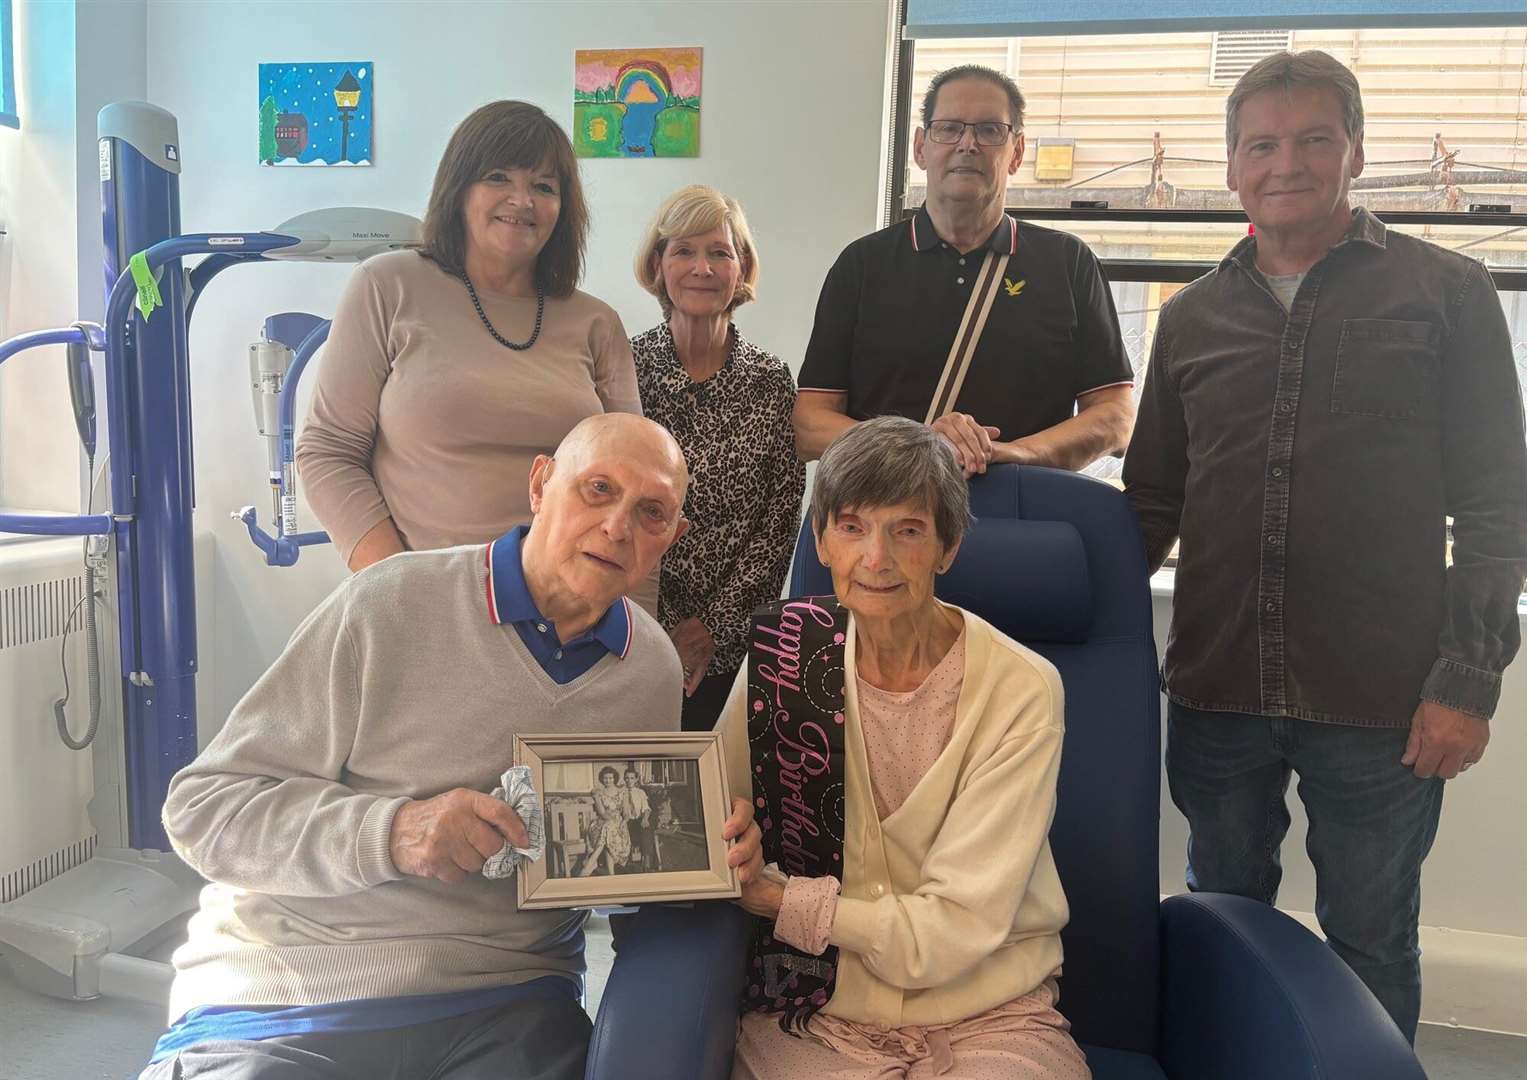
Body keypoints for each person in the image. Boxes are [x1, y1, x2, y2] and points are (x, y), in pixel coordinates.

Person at [138, 414, 763, 1080]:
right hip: (292, 991)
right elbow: (202, 812)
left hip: (507, 999)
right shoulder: (389, 602)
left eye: (651, 512)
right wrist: (394, 831)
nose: (617, 527)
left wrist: (702, 854)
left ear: (673, 536)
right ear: (541, 483)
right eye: (597, 490)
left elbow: (609, 871)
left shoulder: (650, 670)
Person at [1123, 51, 1527, 1043]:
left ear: (1355, 150)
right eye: (1261, 144)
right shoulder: (1192, 317)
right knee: (1222, 920)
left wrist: (1467, 679)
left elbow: (1495, 502)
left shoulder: (1449, 293)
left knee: (1371, 939)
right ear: (1230, 167)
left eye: (1313, 139)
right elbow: (1150, 501)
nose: (1286, 164)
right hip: (1217, 687)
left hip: (1382, 699)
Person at [719, 417, 1090, 1079]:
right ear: (821, 539)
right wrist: (728, 846)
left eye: (907, 530)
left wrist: (779, 901)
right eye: (852, 526)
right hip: (811, 1011)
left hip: (988, 1014)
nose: (876, 559)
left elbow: (954, 927)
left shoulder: (1020, 689)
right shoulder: (779, 661)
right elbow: (708, 819)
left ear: (947, 546)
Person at [297, 101, 643, 580]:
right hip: (423, 601)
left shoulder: (597, 322)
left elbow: (633, 482)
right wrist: (396, 582)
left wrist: (635, 626)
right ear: (458, 189)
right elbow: (328, 451)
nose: (522, 201)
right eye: (498, 177)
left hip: (566, 616)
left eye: (543, 186)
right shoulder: (387, 285)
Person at [793, 64, 1135, 478]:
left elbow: (1116, 418)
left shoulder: (1068, 263)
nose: (968, 144)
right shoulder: (862, 265)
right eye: (949, 127)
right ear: (921, 147)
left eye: (990, 130)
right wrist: (918, 447)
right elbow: (810, 424)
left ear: (1017, 151)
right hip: (886, 514)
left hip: (1026, 512)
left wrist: (1017, 453)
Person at [631, 185, 806, 728]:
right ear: (658, 265)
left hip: (735, 643)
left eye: (719, 252)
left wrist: (711, 627)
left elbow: (779, 523)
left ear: (742, 267)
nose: (702, 267)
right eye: (683, 251)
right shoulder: (625, 370)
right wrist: (660, 622)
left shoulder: (771, 381)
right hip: (631, 624)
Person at [580, 767, 633, 876]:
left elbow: (626, 812)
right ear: (602, 779)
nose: (608, 780)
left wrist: (624, 822)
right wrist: (613, 822)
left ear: (614, 779)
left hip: (619, 824)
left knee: (609, 833)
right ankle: (593, 864)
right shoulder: (598, 793)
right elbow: (602, 813)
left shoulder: (622, 792)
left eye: (610, 778)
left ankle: (592, 865)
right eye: (605, 778)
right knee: (608, 828)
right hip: (601, 823)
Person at [621, 765, 660, 872]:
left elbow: (646, 809)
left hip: (639, 820)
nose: (629, 780)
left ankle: (646, 862)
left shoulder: (640, 792)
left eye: (632, 778)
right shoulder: (621, 793)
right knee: (644, 830)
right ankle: (638, 862)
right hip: (627, 822)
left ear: (636, 779)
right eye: (627, 778)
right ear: (624, 779)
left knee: (646, 828)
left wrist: (645, 819)